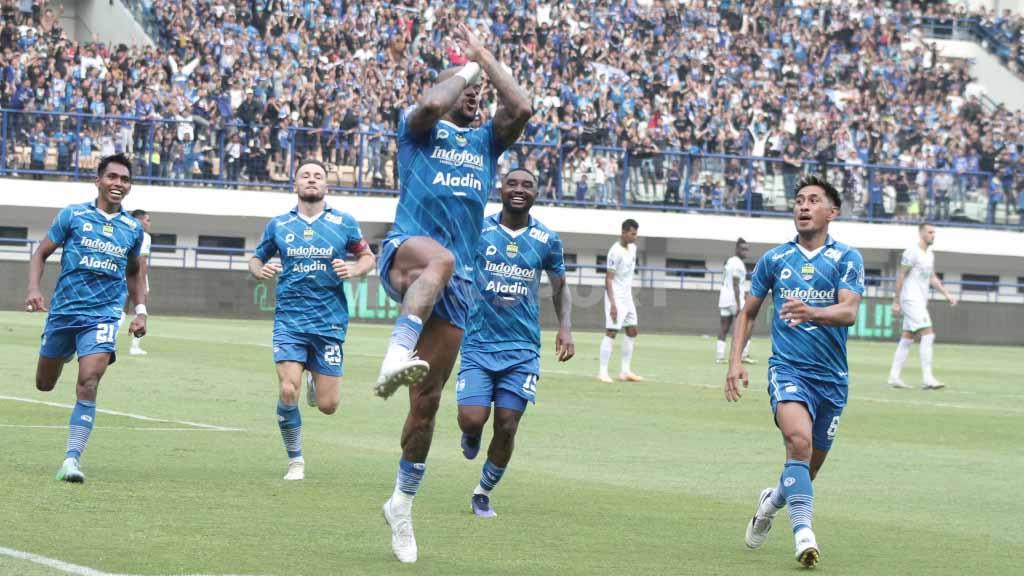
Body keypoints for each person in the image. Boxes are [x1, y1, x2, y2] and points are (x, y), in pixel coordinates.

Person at [373, 23, 532, 564]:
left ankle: (401, 504)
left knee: (426, 407)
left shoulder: (486, 142)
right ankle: (396, 351)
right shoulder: (417, 131)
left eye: (478, 91)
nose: (473, 93)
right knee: (438, 258)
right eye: (463, 87)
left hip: (458, 287)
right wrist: (461, 69)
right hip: (407, 254)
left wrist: (483, 56)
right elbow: (428, 104)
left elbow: (523, 106)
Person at [724, 175, 865, 568]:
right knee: (798, 443)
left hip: (833, 380)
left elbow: (849, 312)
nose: (803, 206)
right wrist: (735, 362)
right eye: (799, 200)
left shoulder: (847, 258)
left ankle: (769, 503)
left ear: (831, 212)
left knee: (806, 470)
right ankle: (804, 535)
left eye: (813, 200)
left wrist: (813, 312)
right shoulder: (775, 259)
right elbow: (748, 312)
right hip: (788, 369)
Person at [456, 168, 575, 518]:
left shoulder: (547, 239)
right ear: (501, 190)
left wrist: (565, 327)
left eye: (527, 185)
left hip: (522, 349)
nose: (519, 189)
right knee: (471, 419)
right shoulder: (478, 230)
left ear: (537, 192)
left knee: (507, 424)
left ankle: (482, 492)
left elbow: (560, 287)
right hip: (478, 343)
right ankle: (471, 433)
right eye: (512, 184)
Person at [24, 153, 149, 483]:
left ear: (130, 186)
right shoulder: (73, 215)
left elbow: (135, 272)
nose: (118, 183)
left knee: (89, 379)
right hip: (64, 313)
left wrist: (140, 311)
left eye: (124, 179)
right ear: (98, 180)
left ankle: (71, 460)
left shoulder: (132, 229)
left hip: (103, 315)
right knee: (44, 384)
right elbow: (41, 253)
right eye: (112, 177)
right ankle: (64, 352)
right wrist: (34, 289)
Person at [249, 158, 375, 481]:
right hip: (290, 320)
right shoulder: (279, 225)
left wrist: (355, 270)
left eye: (317, 176)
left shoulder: (343, 222)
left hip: (329, 322)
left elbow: (367, 257)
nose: (311, 180)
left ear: (326, 186)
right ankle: (296, 460)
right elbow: (255, 258)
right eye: (305, 175)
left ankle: (313, 379)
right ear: (295, 184)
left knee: (329, 405)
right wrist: (259, 271)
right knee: (287, 390)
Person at [887, 223, 957, 390]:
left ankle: (894, 377)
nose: (933, 235)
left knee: (907, 337)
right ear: (921, 234)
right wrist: (896, 301)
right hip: (910, 300)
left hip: (920, 299)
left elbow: (932, 278)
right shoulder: (911, 252)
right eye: (930, 232)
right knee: (928, 334)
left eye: (934, 232)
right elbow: (901, 275)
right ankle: (928, 378)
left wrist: (946, 294)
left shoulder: (930, 255)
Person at [597, 219, 643, 383]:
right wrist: (613, 304)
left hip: (628, 297)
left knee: (632, 331)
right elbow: (608, 279)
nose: (634, 237)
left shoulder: (633, 248)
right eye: (632, 233)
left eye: (636, 234)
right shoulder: (614, 252)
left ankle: (625, 371)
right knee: (611, 332)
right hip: (615, 297)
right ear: (623, 232)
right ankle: (602, 372)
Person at [716, 238, 755, 364]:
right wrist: (739, 304)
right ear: (737, 249)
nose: (745, 252)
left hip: (724, 297)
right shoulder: (738, 263)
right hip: (734, 299)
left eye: (747, 250)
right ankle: (742, 355)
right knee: (748, 323)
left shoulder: (729, 261)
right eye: (743, 249)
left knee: (724, 327)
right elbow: (735, 283)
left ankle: (719, 356)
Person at [127, 209, 152, 356]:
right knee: (142, 311)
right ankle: (135, 346)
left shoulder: (125, 232)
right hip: (137, 276)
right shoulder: (144, 236)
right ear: (139, 221)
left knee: (120, 310)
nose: (149, 223)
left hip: (121, 274)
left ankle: (107, 343)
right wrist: (142, 283)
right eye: (147, 220)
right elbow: (141, 262)